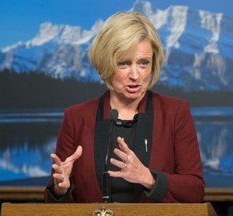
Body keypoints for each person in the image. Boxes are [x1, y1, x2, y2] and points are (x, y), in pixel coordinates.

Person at [44, 11, 205, 203]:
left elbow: (195, 191)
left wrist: (150, 179)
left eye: (143, 63)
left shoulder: (175, 112)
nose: (135, 75)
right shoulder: (76, 118)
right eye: (124, 63)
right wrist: (60, 190)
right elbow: (53, 201)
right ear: (106, 63)